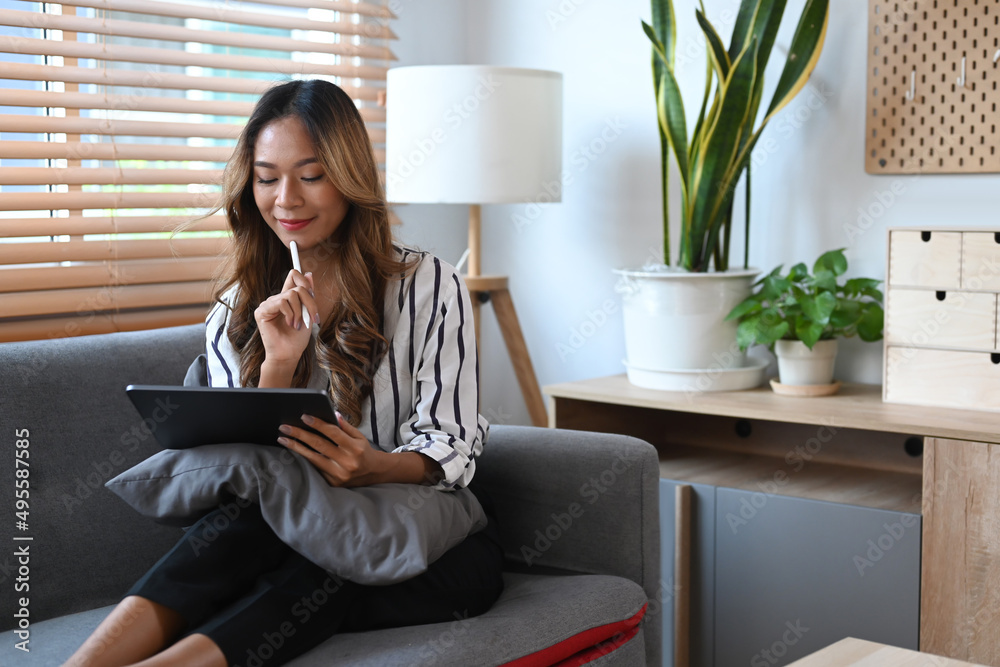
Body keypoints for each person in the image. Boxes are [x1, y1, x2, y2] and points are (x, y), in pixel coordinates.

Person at [64, 79, 503, 667]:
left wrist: (374, 467)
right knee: (245, 536)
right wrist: (278, 364)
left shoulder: (428, 285)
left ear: (349, 178)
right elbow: (247, 472)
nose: (286, 200)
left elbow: (451, 443)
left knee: (316, 564)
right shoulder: (236, 310)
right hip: (294, 526)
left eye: (311, 175)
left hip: (428, 538)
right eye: (267, 178)